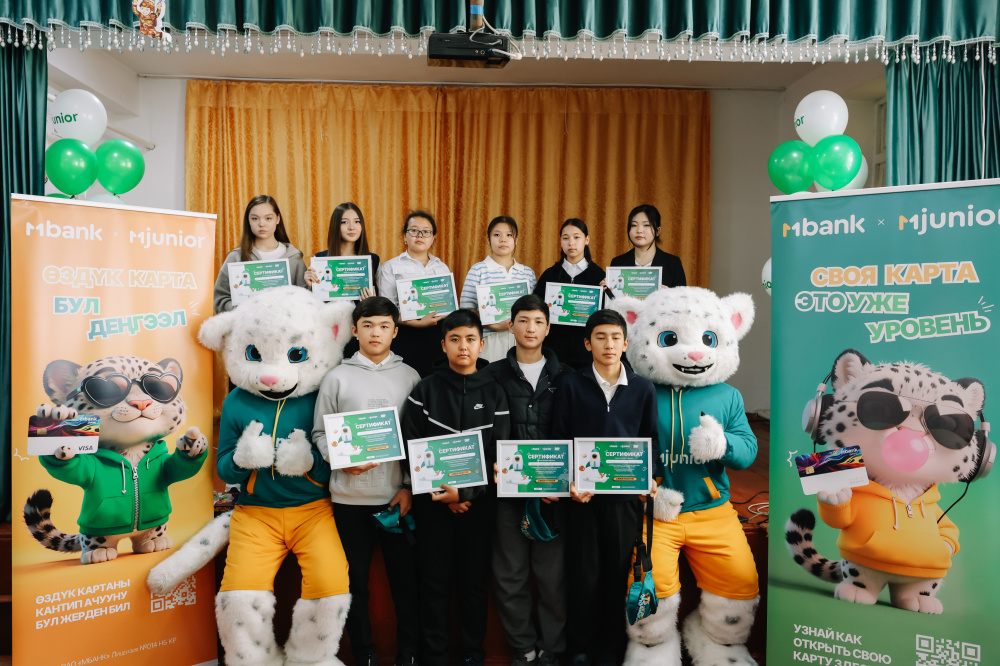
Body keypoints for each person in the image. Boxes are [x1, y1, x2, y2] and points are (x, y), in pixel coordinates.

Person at [311, 296, 421, 666]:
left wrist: (408, 486)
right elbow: (319, 434)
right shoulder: (336, 377)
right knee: (354, 583)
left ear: (395, 331)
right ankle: (365, 654)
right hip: (348, 500)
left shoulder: (411, 376)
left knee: (405, 583)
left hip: (396, 499)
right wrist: (338, 460)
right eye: (368, 325)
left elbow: (419, 440)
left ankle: (408, 653)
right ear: (354, 330)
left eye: (384, 326)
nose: (376, 332)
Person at [551, 309, 659, 666]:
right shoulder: (570, 384)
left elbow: (651, 440)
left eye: (615, 337)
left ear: (625, 343)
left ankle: (609, 650)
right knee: (582, 575)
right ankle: (579, 648)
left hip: (625, 499)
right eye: (600, 337)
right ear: (587, 344)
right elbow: (560, 437)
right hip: (582, 499)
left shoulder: (643, 388)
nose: (608, 344)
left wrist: (650, 478)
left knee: (616, 574)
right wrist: (568, 481)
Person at [402, 310, 510, 666]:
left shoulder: (495, 392)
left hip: (479, 506)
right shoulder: (424, 390)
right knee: (433, 583)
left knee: (473, 584)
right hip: (432, 504)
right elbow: (411, 447)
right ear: (443, 344)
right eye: (455, 339)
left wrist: (465, 495)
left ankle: (471, 655)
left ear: (482, 344)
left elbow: (499, 453)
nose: (463, 346)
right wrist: (443, 495)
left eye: (470, 339)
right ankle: (434, 656)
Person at [486, 294, 573, 666]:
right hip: (506, 493)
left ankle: (552, 650)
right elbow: (480, 429)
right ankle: (524, 648)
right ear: (510, 325)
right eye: (523, 320)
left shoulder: (567, 376)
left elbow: (577, 432)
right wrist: (489, 463)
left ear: (548, 328)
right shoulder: (491, 375)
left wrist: (565, 478)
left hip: (554, 495)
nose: (530, 328)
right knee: (510, 576)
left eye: (538, 321)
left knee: (553, 579)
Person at [376, 210, 451, 377]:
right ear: (405, 236)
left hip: (437, 334)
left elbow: (449, 305)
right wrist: (417, 323)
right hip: (405, 334)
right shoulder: (391, 267)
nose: (420, 235)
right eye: (414, 230)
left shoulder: (442, 267)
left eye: (426, 231)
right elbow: (386, 310)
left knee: (434, 381)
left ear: (433, 238)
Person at [305, 202, 381, 357]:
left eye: (357, 222)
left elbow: (380, 306)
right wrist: (310, 287)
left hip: (362, 333)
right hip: (329, 334)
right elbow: (313, 306)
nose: (352, 227)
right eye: (344, 222)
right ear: (336, 226)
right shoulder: (320, 259)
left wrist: (372, 301)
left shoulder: (373, 260)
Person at [459, 216, 537, 363]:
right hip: (489, 340)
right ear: (488, 240)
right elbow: (466, 309)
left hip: (521, 340)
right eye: (497, 235)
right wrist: (493, 325)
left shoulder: (527, 273)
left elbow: (535, 310)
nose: (503, 240)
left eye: (509, 235)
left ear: (516, 240)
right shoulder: (478, 270)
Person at [213, 194, 307, 313]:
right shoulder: (235, 257)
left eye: (268, 218)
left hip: (285, 323)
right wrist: (242, 310)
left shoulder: (295, 257)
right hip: (246, 324)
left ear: (278, 219)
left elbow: (306, 299)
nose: (261, 224)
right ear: (248, 220)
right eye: (255, 218)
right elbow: (220, 299)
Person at [533, 219, 606, 371]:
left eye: (577, 237)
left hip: (587, 354)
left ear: (587, 240)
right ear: (561, 241)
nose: (571, 243)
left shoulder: (599, 276)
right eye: (565, 238)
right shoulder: (550, 275)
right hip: (554, 353)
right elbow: (536, 310)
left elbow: (607, 316)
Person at [609, 204, 686, 288]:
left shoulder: (673, 264)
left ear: (658, 231)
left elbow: (682, 296)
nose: (639, 230)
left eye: (646, 225)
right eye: (634, 225)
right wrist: (607, 290)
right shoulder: (618, 262)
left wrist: (669, 293)